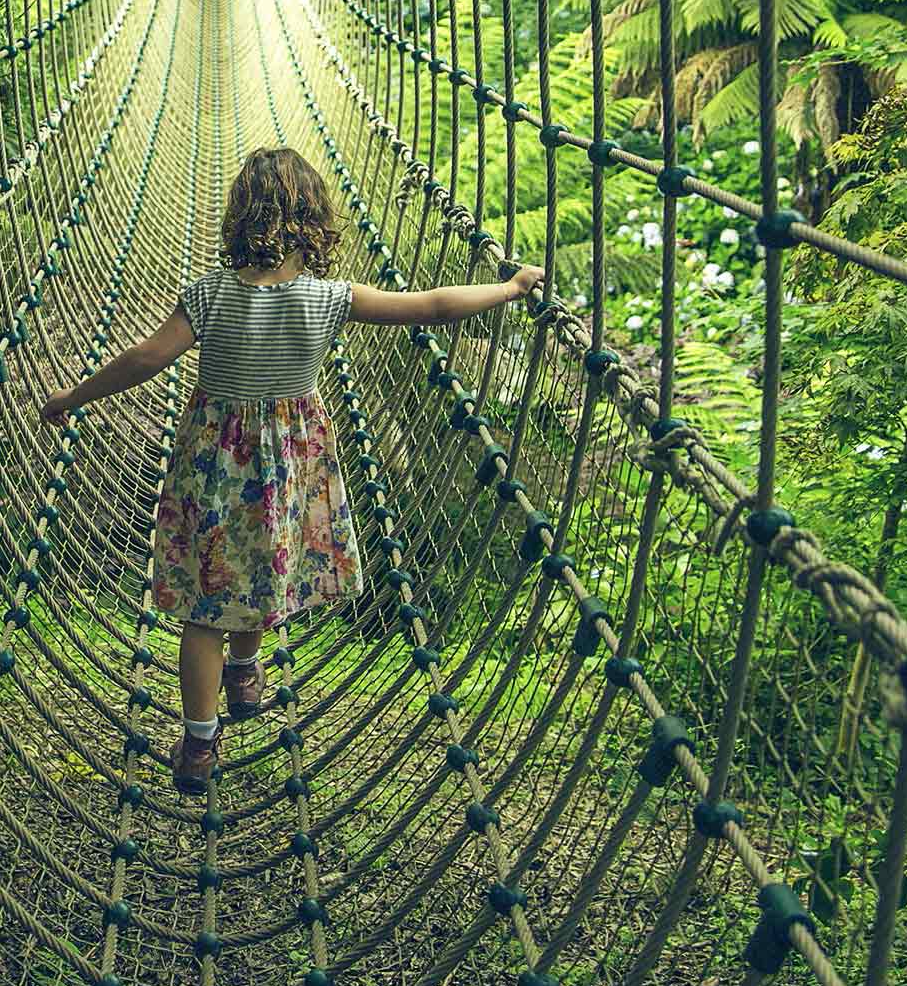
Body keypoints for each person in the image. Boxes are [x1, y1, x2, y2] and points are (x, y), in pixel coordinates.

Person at [37, 145, 546, 794]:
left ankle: (199, 745)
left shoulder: (209, 294)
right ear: (315, 219)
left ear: (239, 218)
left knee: (204, 604)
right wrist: (509, 288)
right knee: (267, 568)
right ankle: (245, 675)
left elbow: (143, 359)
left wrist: (72, 398)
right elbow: (433, 306)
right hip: (288, 468)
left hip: (212, 466)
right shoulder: (331, 298)